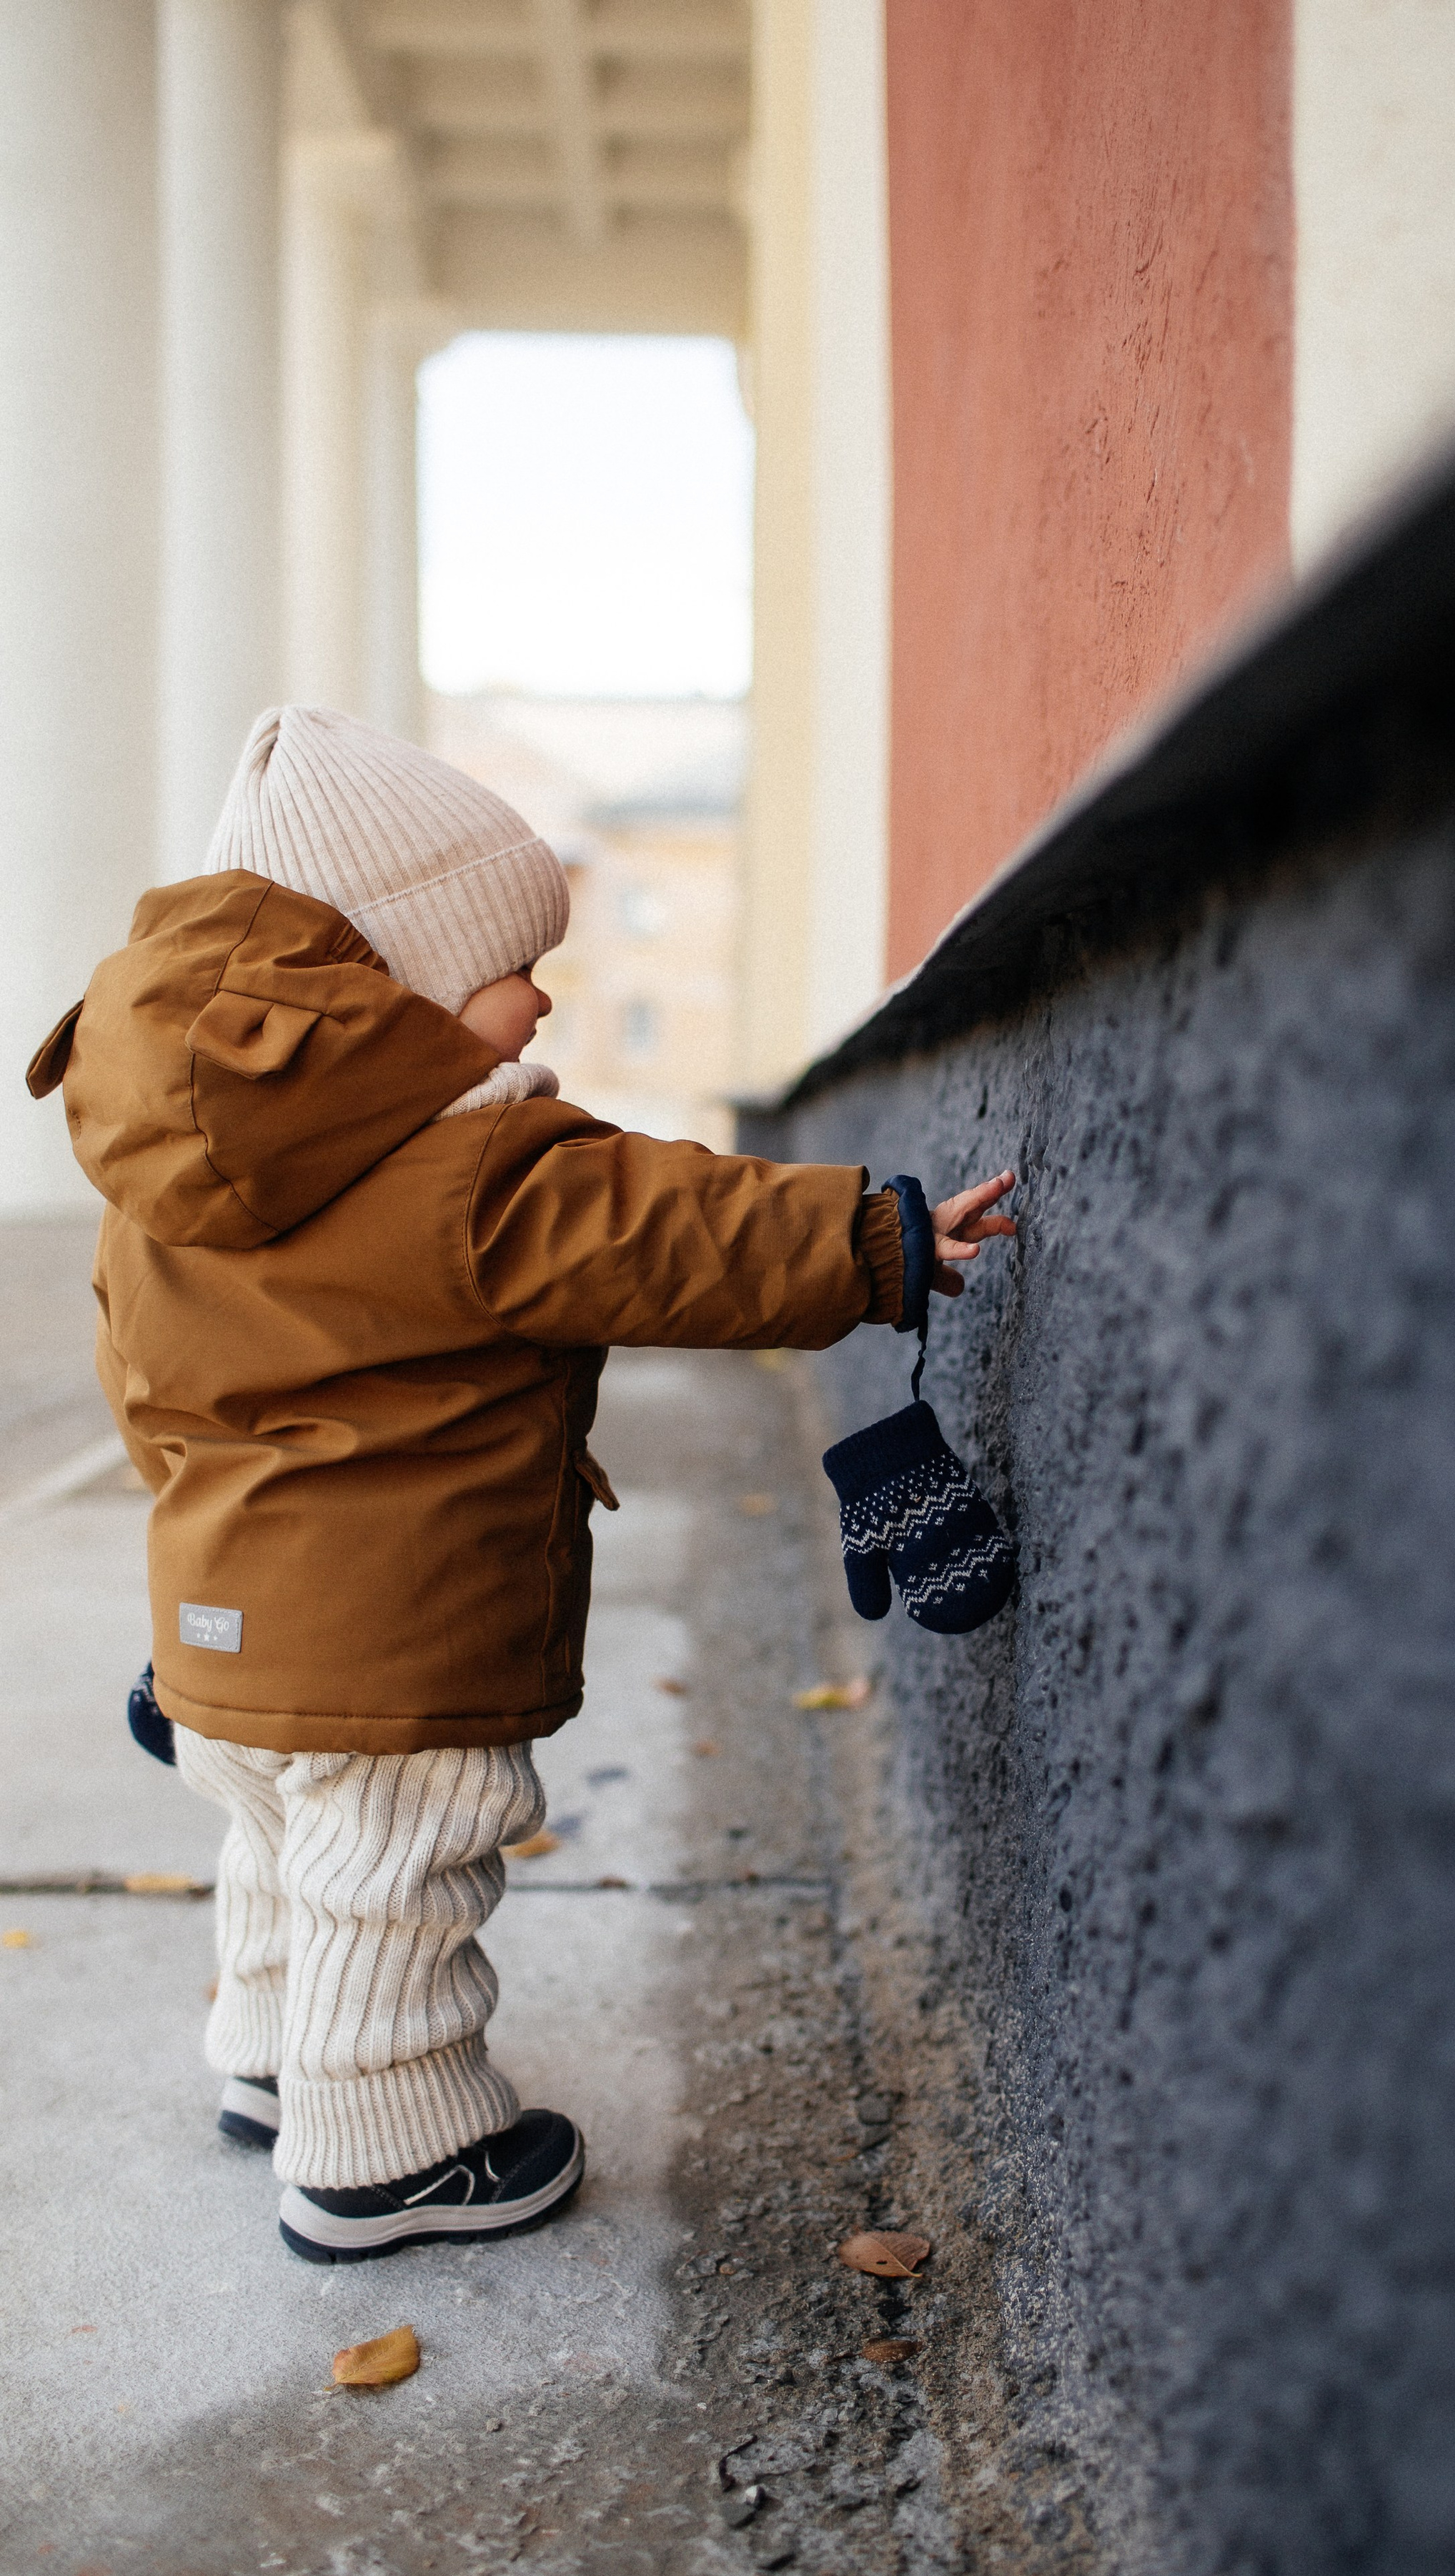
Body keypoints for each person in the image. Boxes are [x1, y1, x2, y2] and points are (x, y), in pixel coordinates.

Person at [25, 706, 1015, 2265]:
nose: (541, 994)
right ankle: (388, 2144)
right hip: (393, 1628)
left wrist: (191, 1587)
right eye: (509, 963)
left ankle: (274, 2062)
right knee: (402, 1861)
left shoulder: (161, 1187)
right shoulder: (468, 1163)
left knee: (290, 1849)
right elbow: (663, 1228)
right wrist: (873, 1238)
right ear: (390, 983)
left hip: (218, 1610)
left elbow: (144, 1385)